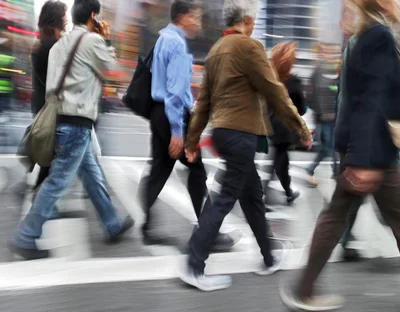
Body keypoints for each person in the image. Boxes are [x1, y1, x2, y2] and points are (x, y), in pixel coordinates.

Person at [280, 0, 400, 311]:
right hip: (373, 150)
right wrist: (363, 161)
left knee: (340, 217)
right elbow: (371, 102)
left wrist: (353, 153)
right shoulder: (378, 36)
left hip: (360, 146)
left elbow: (354, 98)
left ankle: (303, 289)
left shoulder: (362, 35)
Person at [181, 0, 312, 291]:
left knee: (252, 198)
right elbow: (275, 91)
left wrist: (192, 141)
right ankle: (194, 264)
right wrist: (301, 127)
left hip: (224, 132)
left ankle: (268, 257)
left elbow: (203, 103)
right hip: (241, 135)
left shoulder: (216, 51)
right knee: (224, 199)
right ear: (248, 20)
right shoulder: (248, 48)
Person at [8, 0, 133, 260]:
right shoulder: (92, 42)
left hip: (63, 121)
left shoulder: (58, 46)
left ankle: (111, 225)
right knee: (57, 183)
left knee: (93, 175)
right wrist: (106, 40)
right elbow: (116, 74)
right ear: (93, 16)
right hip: (77, 123)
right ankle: (25, 236)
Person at [140, 0, 235, 249]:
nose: (199, 23)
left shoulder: (163, 39)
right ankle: (208, 232)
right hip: (174, 115)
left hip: (159, 113)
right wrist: (177, 132)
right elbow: (174, 92)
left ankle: (146, 225)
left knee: (159, 170)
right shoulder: (177, 44)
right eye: (197, 17)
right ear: (183, 17)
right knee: (196, 170)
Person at [30, 0, 68, 192]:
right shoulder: (52, 45)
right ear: (56, 18)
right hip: (51, 108)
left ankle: (39, 190)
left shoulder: (41, 42)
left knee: (50, 157)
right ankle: (41, 196)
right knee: (54, 157)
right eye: (64, 15)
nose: (67, 19)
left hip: (42, 105)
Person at [266, 41, 304, 204]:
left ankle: (287, 192)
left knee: (280, 161)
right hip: (285, 127)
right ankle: (266, 194)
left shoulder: (270, 78)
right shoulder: (293, 83)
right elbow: (301, 108)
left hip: (272, 123)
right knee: (279, 161)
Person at [305, 43, 340, 186]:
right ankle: (333, 174)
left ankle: (335, 173)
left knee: (331, 147)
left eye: (335, 53)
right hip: (324, 117)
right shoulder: (318, 71)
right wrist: (321, 112)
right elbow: (313, 94)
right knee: (329, 146)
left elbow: (339, 93)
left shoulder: (338, 71)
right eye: (330, 52)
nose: (333, 55)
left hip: (335, 117)